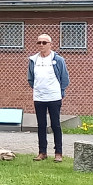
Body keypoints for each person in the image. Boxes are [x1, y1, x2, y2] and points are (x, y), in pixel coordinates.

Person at [27, 34, 69, 162]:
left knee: (55, 125)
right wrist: (37, 88)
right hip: (39, 97)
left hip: (54, 96)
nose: (41, 45)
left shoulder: (58, 60)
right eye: (39, 42)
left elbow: (64, 78)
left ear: (50, 44)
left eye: (44, 43)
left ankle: (58, 152)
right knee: (41, 125)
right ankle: (42, 152)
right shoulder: (33, 60)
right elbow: (31, 79)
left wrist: (60, 91)